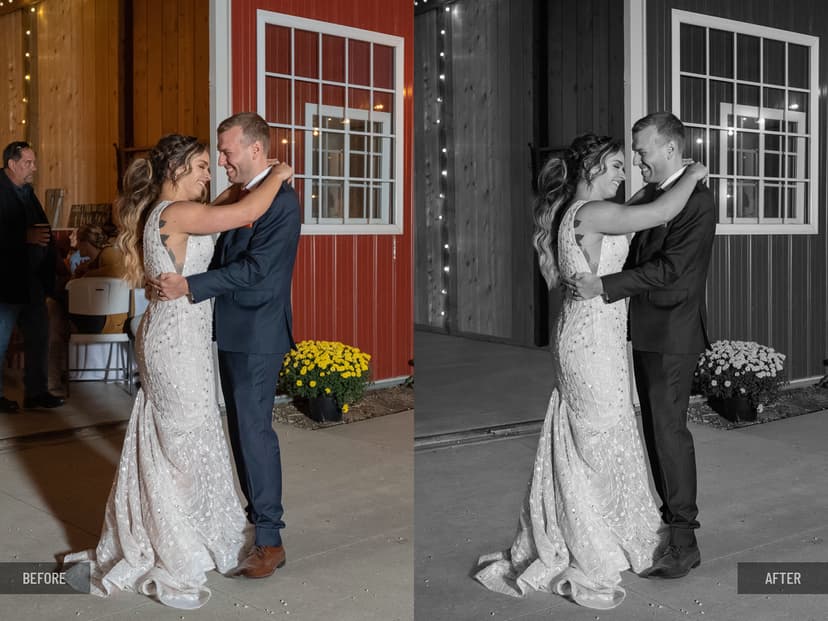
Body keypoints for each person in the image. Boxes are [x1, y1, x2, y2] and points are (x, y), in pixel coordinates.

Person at [473, 132, 708, 610]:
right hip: (592, 345)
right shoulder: (594, 213)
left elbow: (647, 203)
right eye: (618, 165)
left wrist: (665, 182)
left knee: (594, 440)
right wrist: (697, 173)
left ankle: (600, 527)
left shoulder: (574, 211)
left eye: (630, 162)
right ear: (593, 168)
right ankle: (598, 537)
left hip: (587, 337)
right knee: (600, 439)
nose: (626, 173)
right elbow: (659, 213)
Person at [64, 133, 294, 609]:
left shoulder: (164, 210)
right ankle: (173, 539)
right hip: (176, 344)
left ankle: (184, 527)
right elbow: (244, 213)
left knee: (178, 441)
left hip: (175, 336)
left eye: (216, 163)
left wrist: (247, 181)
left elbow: (232, 202)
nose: (212, 175)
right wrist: (279, 174)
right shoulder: (178, 212)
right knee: (184, 445)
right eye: (204, 166)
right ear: (178, 169)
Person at [150, 112, 302, 580]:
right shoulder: (244, 196)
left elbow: (257, 270)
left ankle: (270, 541)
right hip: (224, 331)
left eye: (227, 151)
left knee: (254, 434)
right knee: (239, 432)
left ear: (256, 149)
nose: (221, 161)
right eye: (216, 153)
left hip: (257, 335)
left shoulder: (282, 202)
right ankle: (252, 524)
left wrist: (189, 286)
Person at [566, 112, 717, 580]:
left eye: (643, 151)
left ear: (670, 149)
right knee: (654, 432)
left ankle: (684, 540)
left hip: (672, 334)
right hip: (641, 330)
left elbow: (671, 270)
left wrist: (604, 286)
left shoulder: (698, 201)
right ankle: (665, 526)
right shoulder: (654, 196)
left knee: (669, 434)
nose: (637, 160)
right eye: (632, 152)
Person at [0, 141, 64, 413]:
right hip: (5, 282)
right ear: (11, 164)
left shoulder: (27, 192)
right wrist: (23, 237)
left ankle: (36, 392)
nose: (34, 168)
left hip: (33, 281)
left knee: (39, 336)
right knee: (0, 340)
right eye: (28, 162)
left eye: (34, 162)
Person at [67, 223, 129, 334]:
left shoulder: (108, 252)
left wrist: (86, 275)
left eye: (79, 242)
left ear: (85, 243)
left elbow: (118, 273)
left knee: (59, 308)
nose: (77, 247)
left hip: (110, 318)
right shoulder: (92, 263)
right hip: (99, 314)